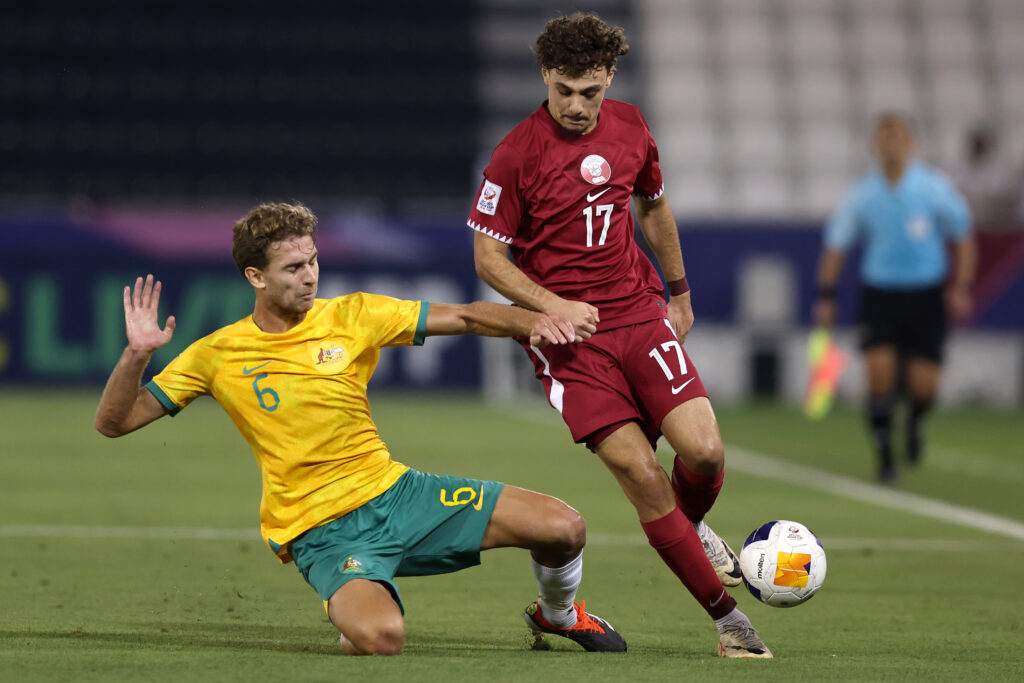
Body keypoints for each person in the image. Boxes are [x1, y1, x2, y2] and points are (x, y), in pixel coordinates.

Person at [94, 202, 627, 655]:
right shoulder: (217, 354)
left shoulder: (354, 315)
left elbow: (465, 316)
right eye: (293, 267)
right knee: (382, 638)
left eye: (314, 261)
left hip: (399, 495)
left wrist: (540, 320)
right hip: (321, 530)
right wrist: (136, 355)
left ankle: (557, 615)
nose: (310, 276)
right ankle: (358, 592)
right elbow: (114, 423)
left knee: (565, 527)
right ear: (255, 277)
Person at [467, 13, 770, 659]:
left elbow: (653, 206)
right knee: (639, 470)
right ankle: (732, 623)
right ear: (545, 76)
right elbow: (488, 258)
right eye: (564, 90)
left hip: (636, 312)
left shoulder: (632, 127)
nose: (576, 106)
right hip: (568, 342)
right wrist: (553, 306)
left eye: (590, 92)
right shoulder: (516, 152)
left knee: (706, 451)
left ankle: (687, 527)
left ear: (609, 78)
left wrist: (680, 291)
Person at [813, 113, 976, 482]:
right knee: (880, 374)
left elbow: (963, 233)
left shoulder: (932, 187)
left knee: (924, 387)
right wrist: (826, 294)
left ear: (911, 144)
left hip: (926, 295)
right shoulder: (863, 194)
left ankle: (915, 422)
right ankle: (885, 455)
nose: (891, 145)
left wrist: (962, 285)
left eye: (898, 137)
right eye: (884, 138)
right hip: (881, 294)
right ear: (875, 145)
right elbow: (836, 244)